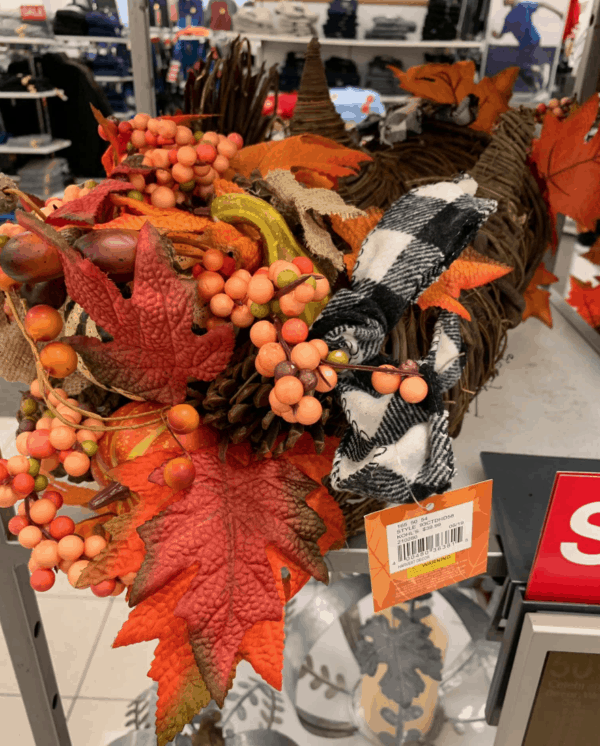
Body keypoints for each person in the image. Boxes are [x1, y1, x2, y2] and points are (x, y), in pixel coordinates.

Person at [492, 1, 564, 92]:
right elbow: (500, 35)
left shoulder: (523, 6)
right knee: (521, 70)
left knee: (523, 67)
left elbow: (542, 4)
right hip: (524, 45)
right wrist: (495, 35)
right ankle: (537, 82)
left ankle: (540, 73)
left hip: (532, 40)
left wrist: (559, 13)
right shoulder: (509, 18)